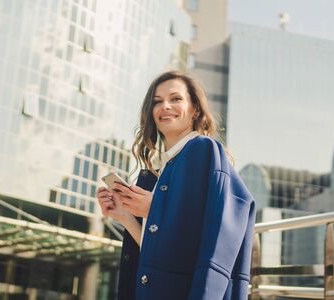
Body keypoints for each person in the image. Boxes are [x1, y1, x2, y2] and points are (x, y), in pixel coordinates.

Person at [97, 71, 256, 300]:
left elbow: (218, 235)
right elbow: (165, 254)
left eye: (176, 99)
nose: (165, 106)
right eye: (157, 102)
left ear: (195, 109)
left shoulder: (202, 150)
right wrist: (124, 216)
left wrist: (155, 209)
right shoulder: (162, 169)